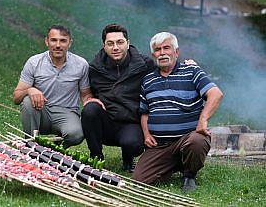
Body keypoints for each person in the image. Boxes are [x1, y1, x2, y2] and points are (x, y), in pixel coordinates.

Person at [132, 32, 223, 192]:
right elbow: (144, 112)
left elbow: (215, 94)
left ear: (176, 52)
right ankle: (175, 163)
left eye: (166, 48)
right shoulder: (147, 81)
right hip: (160, 146)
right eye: (158, 49)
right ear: (153, 54)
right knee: (140, 179)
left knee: (197, 140)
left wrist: (203, 120)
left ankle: (189, 175)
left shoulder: (192, 71)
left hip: (187, 139)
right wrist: (146, 134)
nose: (162, 53)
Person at [81, 24, 156, 172]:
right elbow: (86, 92)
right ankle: (96, 157)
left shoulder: (145, 65)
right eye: (110, 43)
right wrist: (89, 99)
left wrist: (187, 66)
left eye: (120, 42)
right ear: (104, 46)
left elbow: (167, 69)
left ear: (128, 43)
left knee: (133, 145)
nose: (115, 47)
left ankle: (128, 158)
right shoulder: (95, 68)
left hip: (131, 121)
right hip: (106, 121)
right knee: (90, 110)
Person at [12, 24, 102, 148]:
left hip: (67, 113)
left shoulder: (81, 64)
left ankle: (51, 148)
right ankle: (30, 144)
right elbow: (16, 97)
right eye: (54, 40)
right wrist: (29, 90)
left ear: (70, 43)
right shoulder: (34, 62)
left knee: (76, 135)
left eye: (63, 41)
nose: (58, 45)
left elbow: (85, 94)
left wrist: (91, 102)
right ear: (46, 42)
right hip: (41, 111)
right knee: (27, 101)